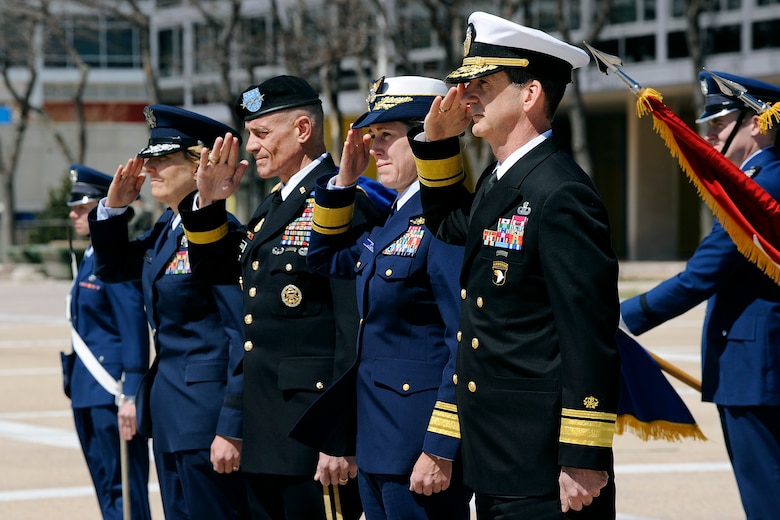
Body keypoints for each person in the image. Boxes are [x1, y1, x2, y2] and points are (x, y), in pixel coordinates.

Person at [406, 11, 621, 519]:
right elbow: (449, 224)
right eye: (465, 84)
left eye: (482, 83)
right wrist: (436, 144)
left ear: (530, 94)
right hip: (499, 456)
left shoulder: (561, 190)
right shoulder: (499, 181)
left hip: (545, 462)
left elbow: (587, 332)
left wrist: (584, 456)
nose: (466, 96)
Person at [178, 75, 392, 520]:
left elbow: (352, 326)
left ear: (301, 130)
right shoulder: (273, 205)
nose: (251, 147)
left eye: (261, 134)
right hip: (266, 432)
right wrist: (210, 203)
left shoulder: (343, 201)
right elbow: (219, 275)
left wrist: (339, 436)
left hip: (312, 437)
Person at [293, 75, 471, 519]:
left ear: (425, 138)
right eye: (372, 136)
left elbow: (463, 338)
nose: (374, 148)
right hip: (376, 439)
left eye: (387, 137)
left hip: (418, 445)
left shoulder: (444, 217)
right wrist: (344, 182)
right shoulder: (394, 214)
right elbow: (325, 259)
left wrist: (441, 446)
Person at [620, 71, 780, 519]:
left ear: (758, 123)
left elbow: (701, 275)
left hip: (756, 370)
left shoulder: (760, 186)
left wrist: (621, 316)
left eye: (721, 122)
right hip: (755, 365)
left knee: (766, 496)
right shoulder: (758, 179)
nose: (707, 133)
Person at [87, 105, 250, 519]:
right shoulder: (165, 230)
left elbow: (240, 333)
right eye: (149, 158)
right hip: (171, 414)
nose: (151, 168)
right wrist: (113, 212)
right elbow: (114, 267)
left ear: (200, 165)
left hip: (207, 418)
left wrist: (231, 425)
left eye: (164, 159)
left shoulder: (221, 234)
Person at [62, 164, 151, 520]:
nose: (74, 214)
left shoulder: (115, 262)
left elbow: (133, 327)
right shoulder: (89, 259)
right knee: (105, 486)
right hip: (87, 390)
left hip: (110, 390)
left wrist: (130, 393)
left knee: (123, 491)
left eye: (83, 208)